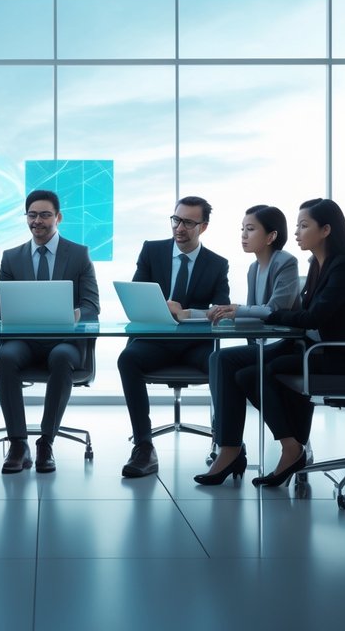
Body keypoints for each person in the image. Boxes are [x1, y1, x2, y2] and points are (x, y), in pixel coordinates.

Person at [233, 198, 345, 488]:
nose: (296, 232)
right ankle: (293, 447)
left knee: (259, 372)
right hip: (320, 350)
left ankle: (292, 450)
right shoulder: (318, 265)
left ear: (325, 230)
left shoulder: (343, 266)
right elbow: (307, 314)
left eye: (303, 225)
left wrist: (274, 312)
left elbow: (314, 316)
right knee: (250, 373)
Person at [117, 195, 230, 478]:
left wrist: (186, 313)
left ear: (203, 227)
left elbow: (221, 310)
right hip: (156, 342)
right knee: (127, 359)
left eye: (188, 222)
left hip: (195, 345)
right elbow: (136, 297)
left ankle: (226, 445)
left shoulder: (217, 264)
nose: (179, 227)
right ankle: (143, 447)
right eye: (176, 220)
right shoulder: (152, 251)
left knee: (222, 363)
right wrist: (161, 308)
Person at [0, 189, 100, 474]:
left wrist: (76, 314)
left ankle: (46, 442)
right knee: (4, 357)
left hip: (65, 341)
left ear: (58, 218)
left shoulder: (78, 255)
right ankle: (18, 443)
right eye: (32, 215)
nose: (37, 221)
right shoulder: (11, 257)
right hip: (25, 342)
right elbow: (1, 308)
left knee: (61, 357)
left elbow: (92, 305)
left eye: (44, 215)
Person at [195, 204, 300, 485]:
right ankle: (230, 447)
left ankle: (229, 448)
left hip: (288, 343)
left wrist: (237, 310)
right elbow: (257, 313)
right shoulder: (254, 268)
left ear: (271, 236)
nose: (243, 235)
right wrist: (228, 314)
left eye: (250, 229)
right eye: (242, 229)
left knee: (221, 360)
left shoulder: (285, 262)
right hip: (266, 343)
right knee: (224, 363)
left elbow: (276, 309)